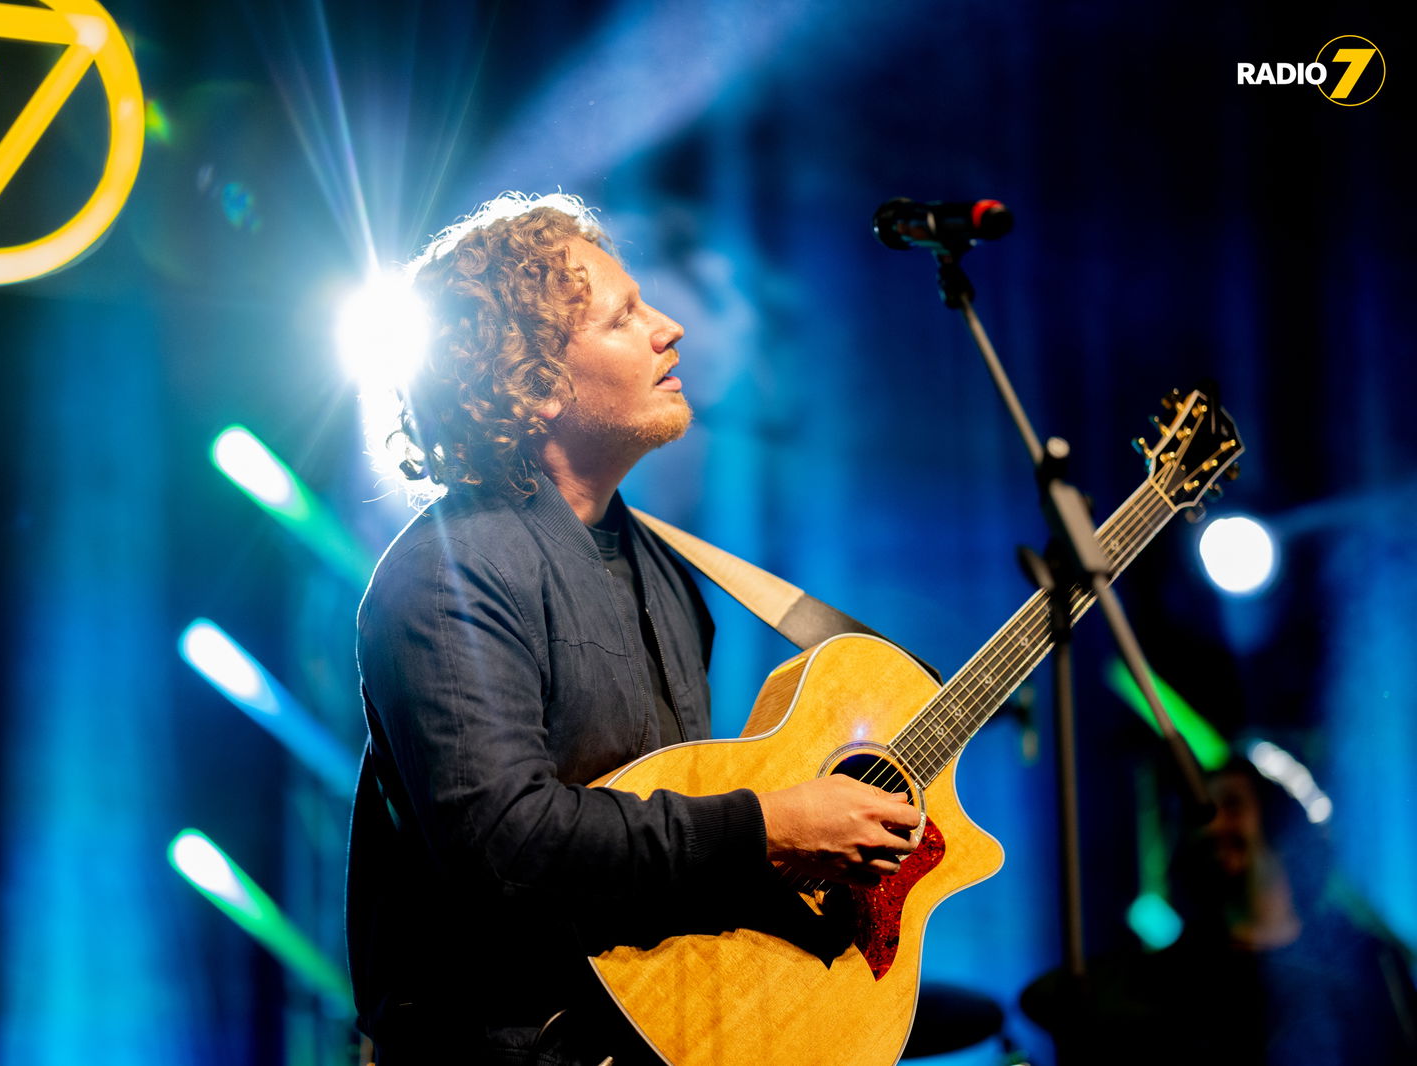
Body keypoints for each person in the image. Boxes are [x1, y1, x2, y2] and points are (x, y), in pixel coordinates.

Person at [344, 192, 927, 1065]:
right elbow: (508, 845)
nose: (669, 329)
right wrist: (770, 827)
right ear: (536, 386)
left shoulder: (665, 574)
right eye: (624, 317)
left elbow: (669, 828)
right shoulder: (449, 573)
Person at [1021, 755, 1417, 1064]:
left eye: (1230, 805)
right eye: (1202, 815)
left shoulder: (1367, 961)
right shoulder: (1172, 973)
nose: (1212, 827)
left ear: (1279, 825)